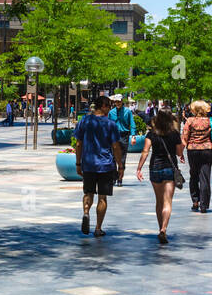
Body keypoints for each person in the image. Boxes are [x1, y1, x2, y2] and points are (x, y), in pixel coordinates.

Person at [75, 94, 126, 237]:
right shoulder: (110, 124)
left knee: (88, 193)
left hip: (89, 163)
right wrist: (120, 166)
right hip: (105, 165)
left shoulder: (84, 121)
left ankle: (86, 212)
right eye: (109, 106)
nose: (110, 109)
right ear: (103, 106)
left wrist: (78, 163)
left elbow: (78, 143)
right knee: (102, 197)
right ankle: (98, 228)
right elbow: (115, 147)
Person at [136, 108, 184, 244]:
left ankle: (159, 228)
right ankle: (164, 229)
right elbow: (179, 152)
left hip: (155, 168)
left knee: (159, 201)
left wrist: (139, 168)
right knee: (167, 201)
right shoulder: (174, 134)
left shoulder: (152, 133)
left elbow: (145, 151)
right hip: (170, 168)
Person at [181, 100, 212, 213]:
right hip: (207, 150)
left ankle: (195, 201)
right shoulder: (210, 121)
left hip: (193, 150)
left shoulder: (190, 121)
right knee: (205, 177)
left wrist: (181, 152)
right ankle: (204, 205)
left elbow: (185, 137)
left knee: (194, 175)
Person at [108, 95, 135, 188]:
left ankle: (120, 178)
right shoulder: (111, 112)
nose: (117, 103)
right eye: (116, 102)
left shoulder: (128, 111)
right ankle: (114, 176)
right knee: (112, 158)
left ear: (122, 101)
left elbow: (132, 123)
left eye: (119, 101)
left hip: (124, 136)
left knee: (122, 159)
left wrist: (133, 136)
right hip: (113, 136)